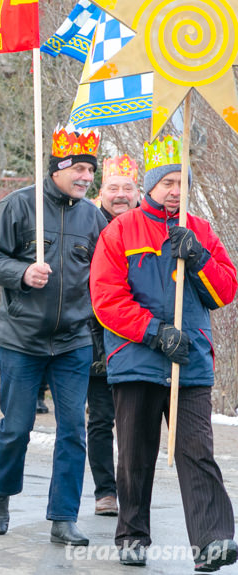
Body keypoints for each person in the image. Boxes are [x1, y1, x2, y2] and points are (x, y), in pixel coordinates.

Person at [90, 136, 238, 570]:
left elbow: (224, 290)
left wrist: (198, 256)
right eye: (168, 181)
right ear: (149, 186)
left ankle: (213, 539)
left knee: (197, 450)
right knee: (135, 454)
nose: (175, 190)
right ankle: (132, 535)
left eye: (182, 181)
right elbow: (106, 298)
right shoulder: (120, 230)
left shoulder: (201, 229)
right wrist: (155, 333)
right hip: (137, 360)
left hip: (189, 360)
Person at [0, 125, 107, 545]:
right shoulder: (18, 205)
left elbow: (106, 275)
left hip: (73, 340)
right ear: (57, 168)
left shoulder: (93, 216)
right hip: (22, 338)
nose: (87, 177)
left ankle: (63, 516)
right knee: (16, 428)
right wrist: (21, 273)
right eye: (80, 169)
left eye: (92, 170)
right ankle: (1, 493)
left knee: (72, 431)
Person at [86, 154, 141, 518]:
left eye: (127, 188)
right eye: (113, 188)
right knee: (101, 418)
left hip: (139, 338)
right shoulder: (88, 225)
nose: (120, 195)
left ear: (138, 193)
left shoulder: (150, 226)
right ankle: (106, 491)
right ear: (101, 191)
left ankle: (134, 490)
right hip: (95, 339)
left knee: (135, 421)